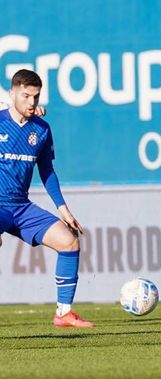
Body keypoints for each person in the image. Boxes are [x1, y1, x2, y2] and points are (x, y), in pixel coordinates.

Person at [0, 69, 92, 327]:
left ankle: (63, 312)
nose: (31, 102)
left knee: (69, 242)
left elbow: (47, 171)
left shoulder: (41, 129)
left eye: (36, 97)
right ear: (12, 94)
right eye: (26, 95)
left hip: (20, 207)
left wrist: (64, 210)